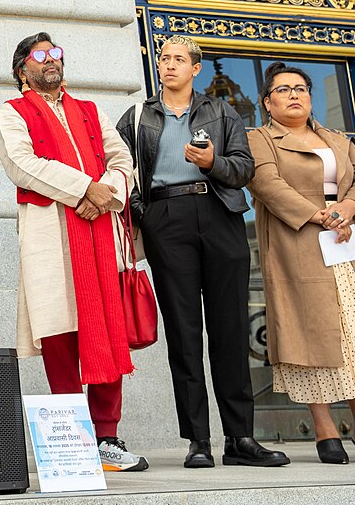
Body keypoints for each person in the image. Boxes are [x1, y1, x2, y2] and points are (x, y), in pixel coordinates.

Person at [116, 37, 288, 468]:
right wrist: (146, 214)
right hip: (166, 219)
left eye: (178, 59)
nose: (168, 65)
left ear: (195, 68)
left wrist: (213, 163)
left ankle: (240, 438)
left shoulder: (222, 111)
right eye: (163, 59)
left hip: (219, 212)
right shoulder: (138, 116)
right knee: (184, 334)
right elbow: (118, 169)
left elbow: (244, 168)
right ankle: (197, 440)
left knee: (230, 330)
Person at [0, 32, 148, 472]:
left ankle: (107, 439)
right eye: (41, 55)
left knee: (106, 328)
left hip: (102, 234)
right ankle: (72, 441)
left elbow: (123, 162)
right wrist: (86, 188)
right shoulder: (13, 112)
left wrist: (105, 193)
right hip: (51, 237)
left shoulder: (89, 111)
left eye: (56, 52)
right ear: (22, 68)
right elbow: (22, 165)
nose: (51, 60)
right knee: (60, 333)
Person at [245, 61, 355, 465]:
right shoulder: (260, 139)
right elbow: (267, 185)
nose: (294, 95)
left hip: (346, 245)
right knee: (311, 336)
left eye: (301, 88)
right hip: (299, 245)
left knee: (352, 334)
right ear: (267, 103)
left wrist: (345, 208)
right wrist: (320, 215)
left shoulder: (337, 138)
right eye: (283, 90)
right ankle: (325, 430)